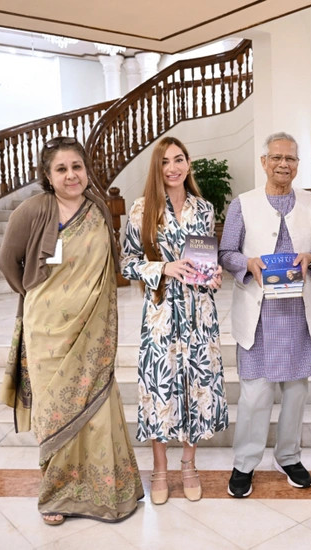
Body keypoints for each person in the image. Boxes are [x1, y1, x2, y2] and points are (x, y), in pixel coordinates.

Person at [0, 136, 143, 525]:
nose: (71, 175)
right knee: (55, 412)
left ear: (86, 170)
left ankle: (105, 490)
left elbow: (109, 266)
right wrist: (38, 296)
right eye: (61, 169)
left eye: (77, 166)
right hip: (46, 333)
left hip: (91, 328)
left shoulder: (98, 209)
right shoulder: (32, 210)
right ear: (47, 176)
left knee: (96, 408)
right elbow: (8, 261)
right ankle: (57, 495)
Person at [219, 131, 311, 497]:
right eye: (276, 157)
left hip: (298, 314)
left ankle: (289, 456)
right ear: (264, 162)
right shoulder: (243, 204)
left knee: (296, 392)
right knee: (255, 394)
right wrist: (247, 263)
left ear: (298, 164)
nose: (283, 164)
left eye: (290, 158)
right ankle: (245, 462)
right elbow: (226, 252)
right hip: (258, 314)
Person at [121, 136, 229, 505]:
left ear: (188, 163)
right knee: (160, 389)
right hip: (162, 314)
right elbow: (127, 263)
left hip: (200, 314)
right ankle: (160, 469)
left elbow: (205, 260)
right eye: (165, 161)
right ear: (157, 167)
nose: (173, 167)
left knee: (196, 386)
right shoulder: (141, 209)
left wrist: (214, 276)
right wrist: (163, 268)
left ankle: (189, 466)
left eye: (179, 159)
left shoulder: (203, 209)